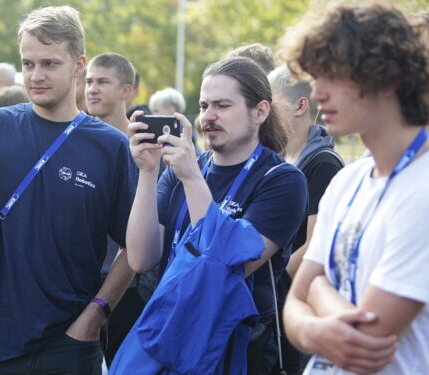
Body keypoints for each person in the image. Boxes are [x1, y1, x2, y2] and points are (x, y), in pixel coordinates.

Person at [0, 6, 136, 374]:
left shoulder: (110, 146)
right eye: (28, 64)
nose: (36, 75)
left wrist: (96, 315)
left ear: (79, 65)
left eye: (49, 63)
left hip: (69, 342)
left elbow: (136, 248)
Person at [111, 56, 307, 374]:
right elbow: (140, 259)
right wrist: (148, 172)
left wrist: (191, 179)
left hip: (232, 349)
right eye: (203, 106)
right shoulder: (183, 169)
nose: (208, 117)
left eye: (222, 105)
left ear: (260, 112)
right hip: (171, 336)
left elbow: (229, 262)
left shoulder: (281, 179)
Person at [279, 2, 429, 374]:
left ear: (387, 77)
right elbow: (294, 298)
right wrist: (316, 328)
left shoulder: (422, 188)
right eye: (315, 78)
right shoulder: (347, 180)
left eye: (332, 76)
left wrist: (315, 291)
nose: (317, 94)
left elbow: (367, 337)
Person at [84, 52, 142, 365]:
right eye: (89, 81)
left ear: (126, 90)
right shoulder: (73, 143)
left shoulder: (147, 149)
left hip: (128, 291)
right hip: (79, 286)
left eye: (103, 82)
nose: (92, 89)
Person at [268, 66, 345, 279]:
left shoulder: (324, 164)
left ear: (300, 106)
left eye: (271, 102)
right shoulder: (277, 156)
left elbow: (314, 244)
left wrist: (273, 285)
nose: (263, 110)